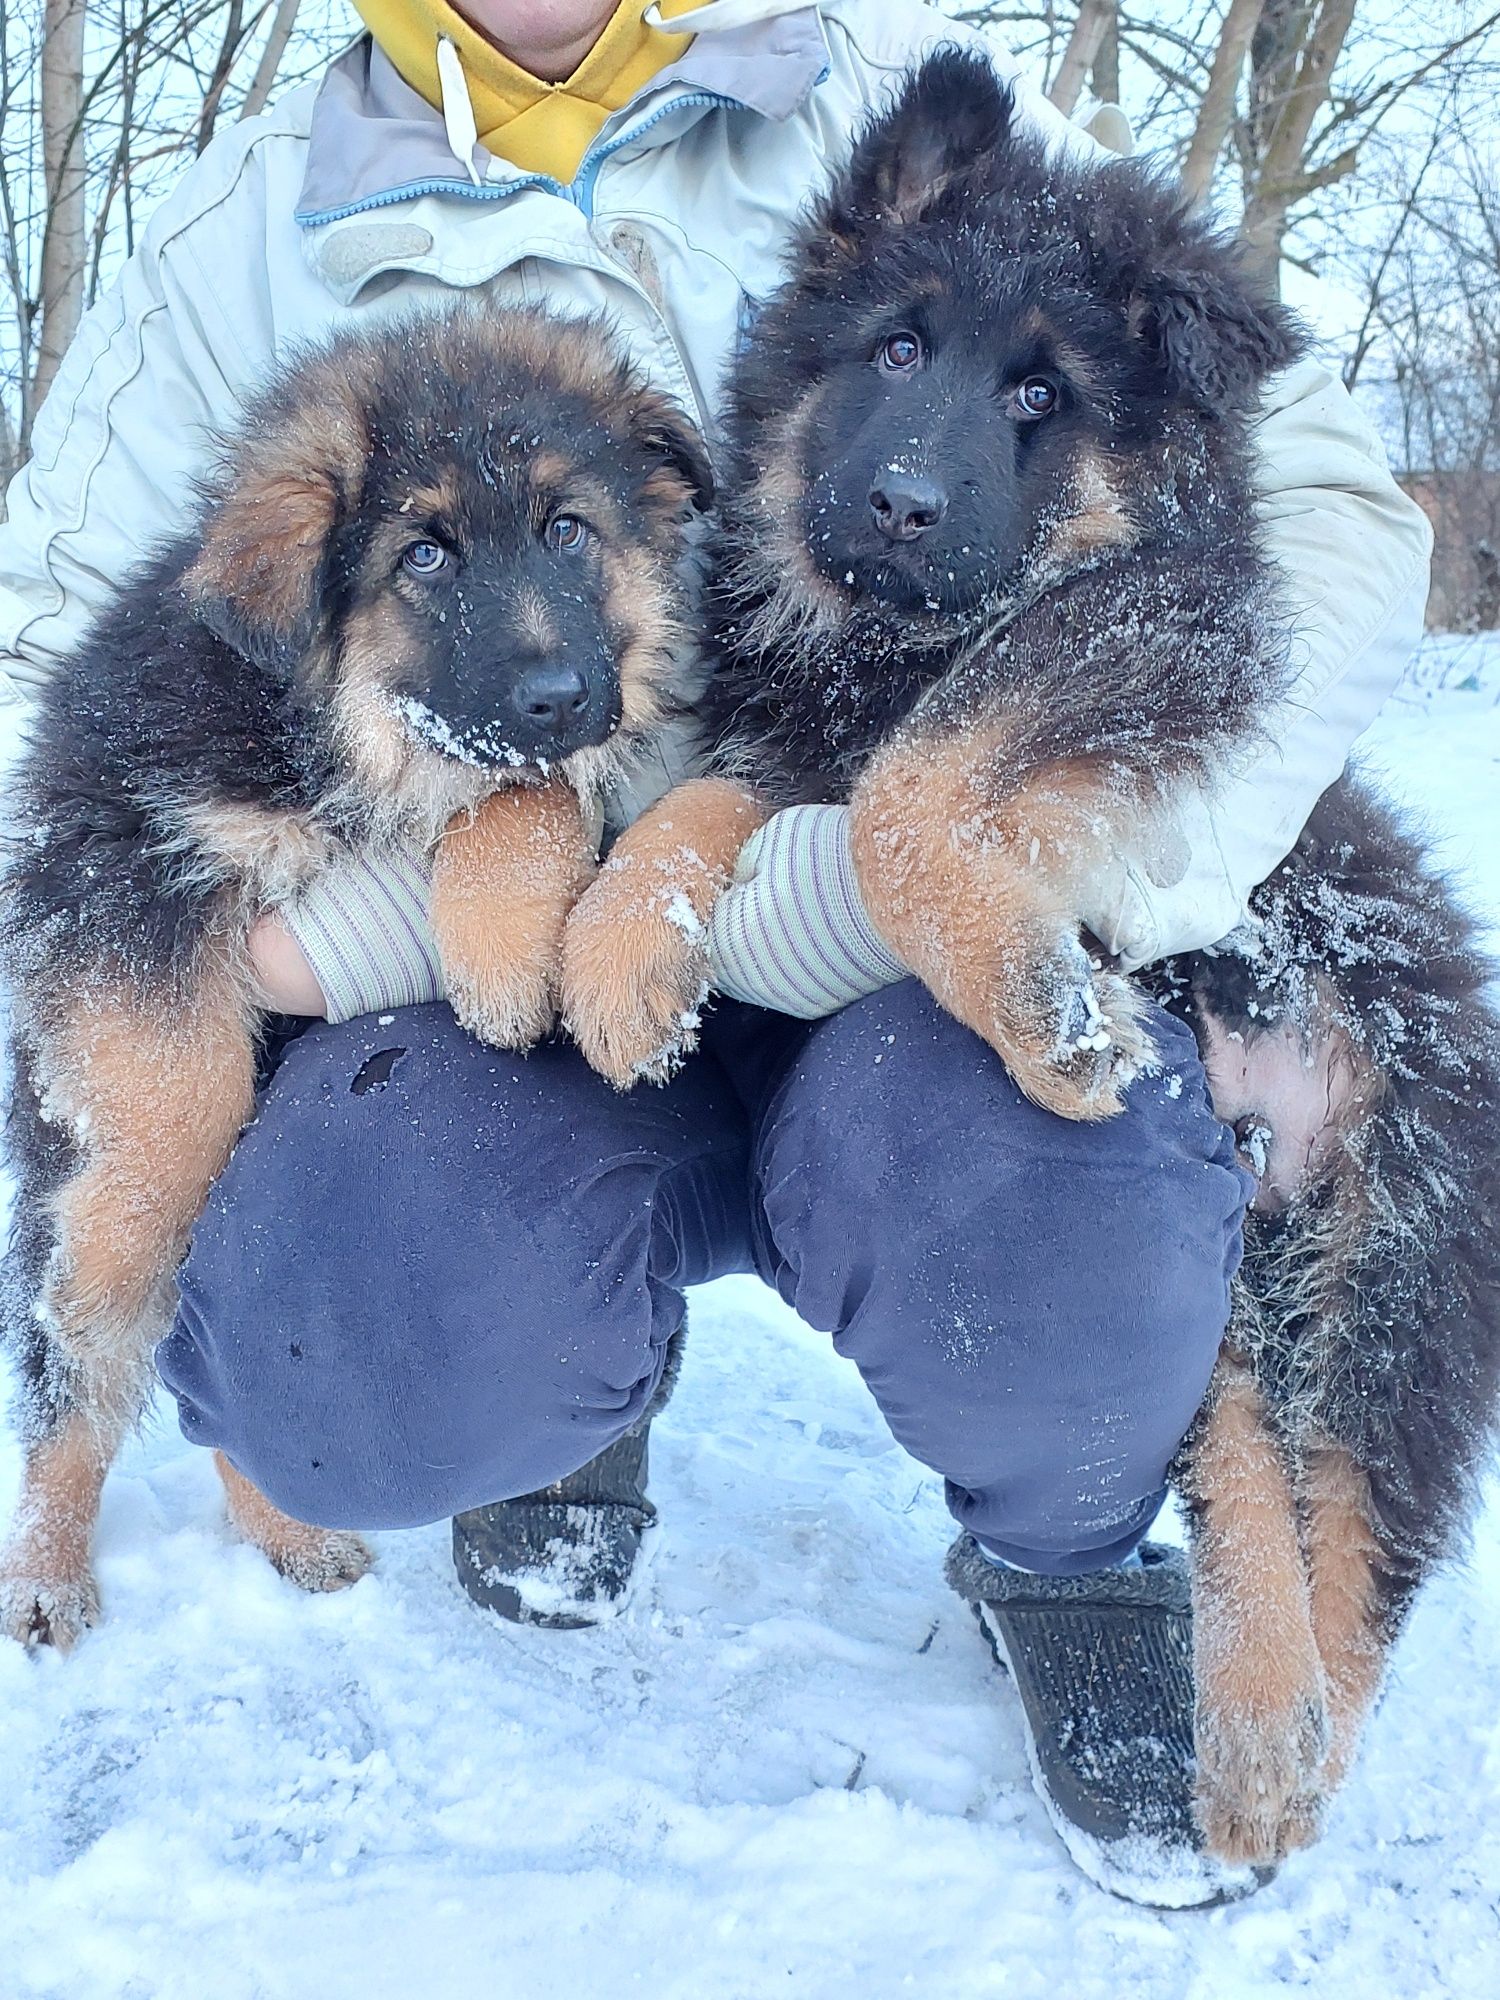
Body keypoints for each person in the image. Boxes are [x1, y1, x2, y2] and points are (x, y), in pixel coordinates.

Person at [0, 0, 1431, 1905]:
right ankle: (557, 1403)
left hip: (925, 941)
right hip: (496, 974)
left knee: (1057, 1196)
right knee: (350, 1319)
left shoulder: (914, 100)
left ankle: (1065, 1539)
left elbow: (1331, 506)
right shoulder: (242, 232)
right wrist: (298, 941)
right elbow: (46, 679)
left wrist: (1087, 865)